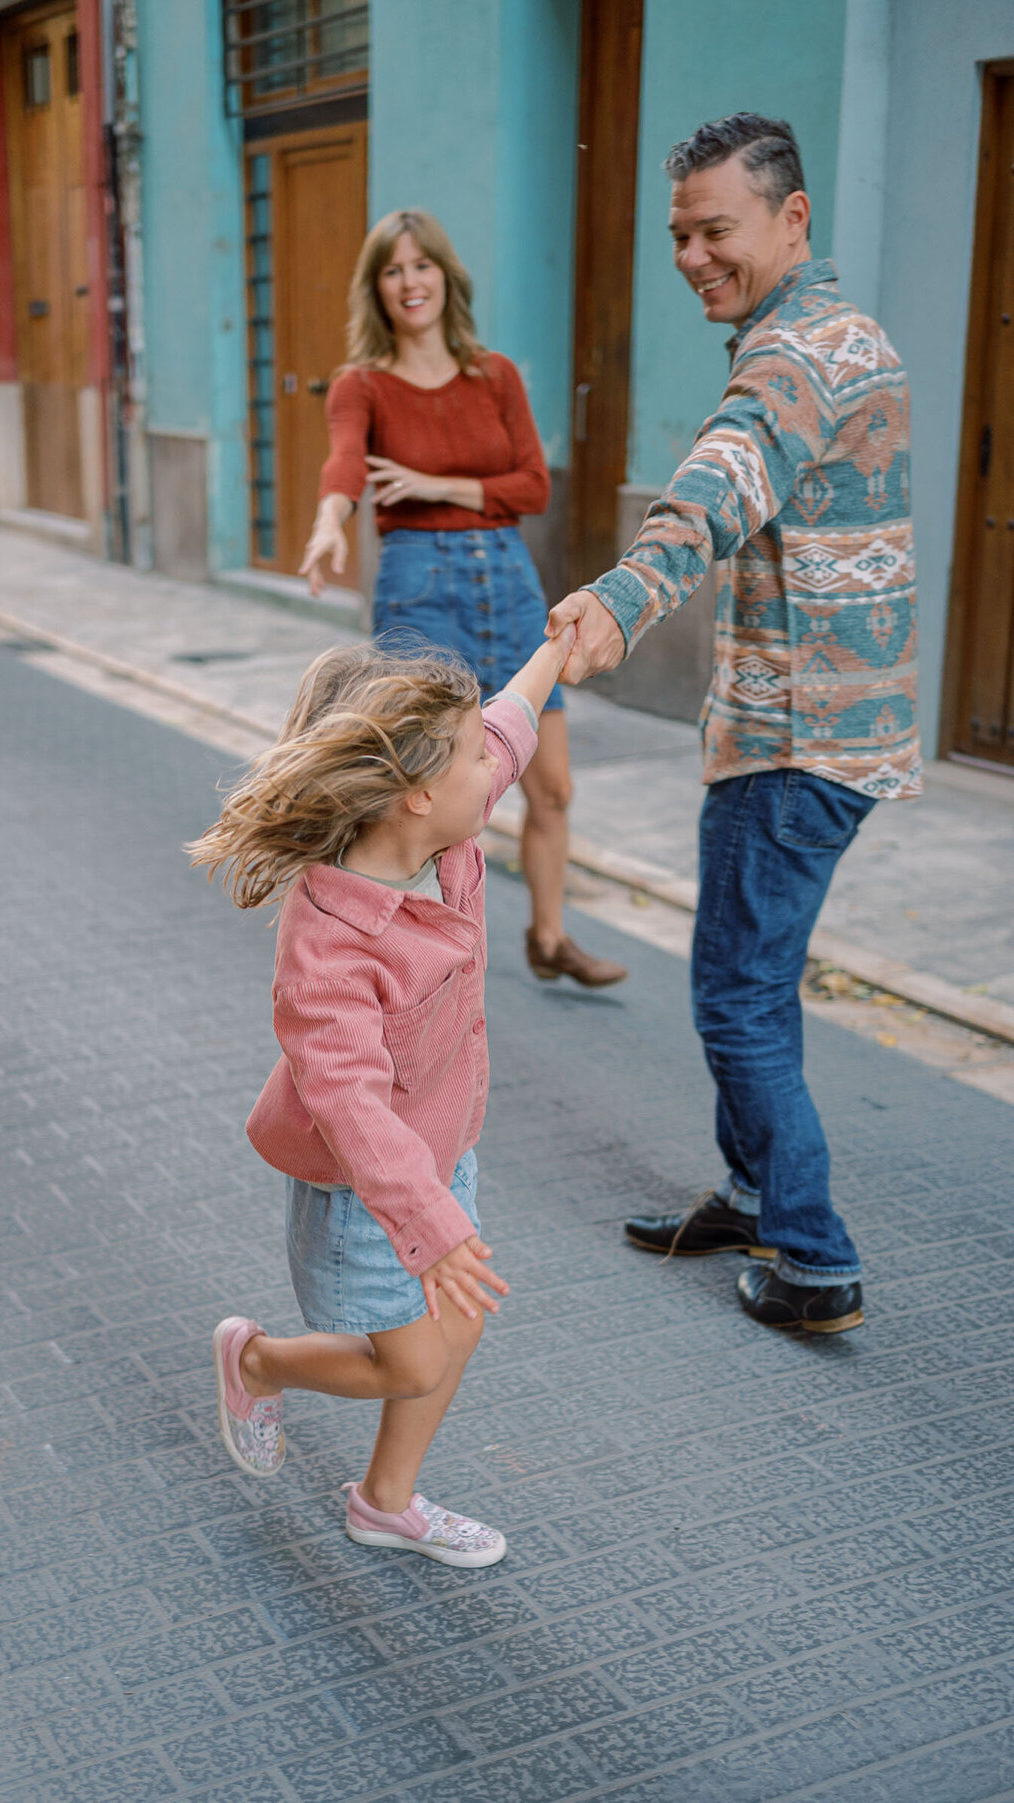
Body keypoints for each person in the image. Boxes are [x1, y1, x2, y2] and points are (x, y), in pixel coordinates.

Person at [549, 114, 920, 1335]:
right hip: (802, 728)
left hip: (803, 742)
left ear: (791, 217)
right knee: (739, 980)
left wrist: (623, 593)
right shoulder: (817, 334)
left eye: (717, 229)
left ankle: (814, 1256)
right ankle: (756, 1190)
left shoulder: (801, 353)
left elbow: (726, 473)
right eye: (680, 233)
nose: (694, 253)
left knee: (739, 996)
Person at [190, 621, 575, 1565]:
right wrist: (432, 1224)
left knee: (460, 1323)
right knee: (412, 1357)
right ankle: (257, 1359)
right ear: (414, 796)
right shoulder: (329, 944)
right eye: (469, 760)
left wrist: (566, 642)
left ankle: (385, 1501)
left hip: (443, 1145)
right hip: (366, 1186)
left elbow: (512, 725)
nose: (495, 766)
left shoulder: (438, 842)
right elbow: (352, 1107)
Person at [300, 206, 626, 991]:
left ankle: (549, 935)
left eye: (422, 265)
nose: (410, 282)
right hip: (421, 589)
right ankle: (427, 957)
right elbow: (346, 464)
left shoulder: (496, 374)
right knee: (424, 795)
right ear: (375, 288)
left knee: (552, 785)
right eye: (392, 269)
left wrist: (434, 484)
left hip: (508, 581)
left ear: (446, 276)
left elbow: (534, 485)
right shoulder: (362, 384)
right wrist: (328, 525)